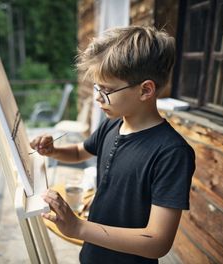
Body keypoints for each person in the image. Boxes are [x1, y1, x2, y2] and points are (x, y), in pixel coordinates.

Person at [30, 26, 195, 264]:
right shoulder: (113, 124)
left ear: (145, 90)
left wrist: (79, 228)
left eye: (106, 90)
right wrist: (54, 150)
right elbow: (80, 152)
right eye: (98, 88)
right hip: (92, 253)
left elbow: (157, 241)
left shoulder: (171, 153)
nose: (98, 98)